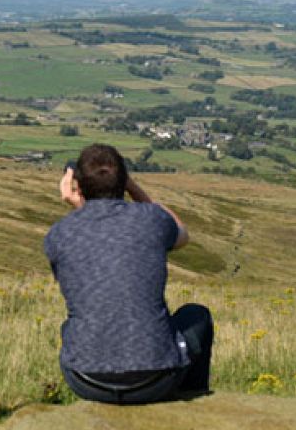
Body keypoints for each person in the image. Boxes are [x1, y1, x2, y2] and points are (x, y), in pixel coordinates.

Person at [45, 143, 214, 404]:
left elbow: (98, 236)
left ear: (77, 185)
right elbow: (181, 234)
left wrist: (81, 207)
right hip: (158, 379)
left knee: (72, 326)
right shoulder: (151, 220)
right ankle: (189, 400)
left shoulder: (58, 234)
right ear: (122, 181)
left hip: (85, 379)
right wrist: (133, 187)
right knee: (196, 315)